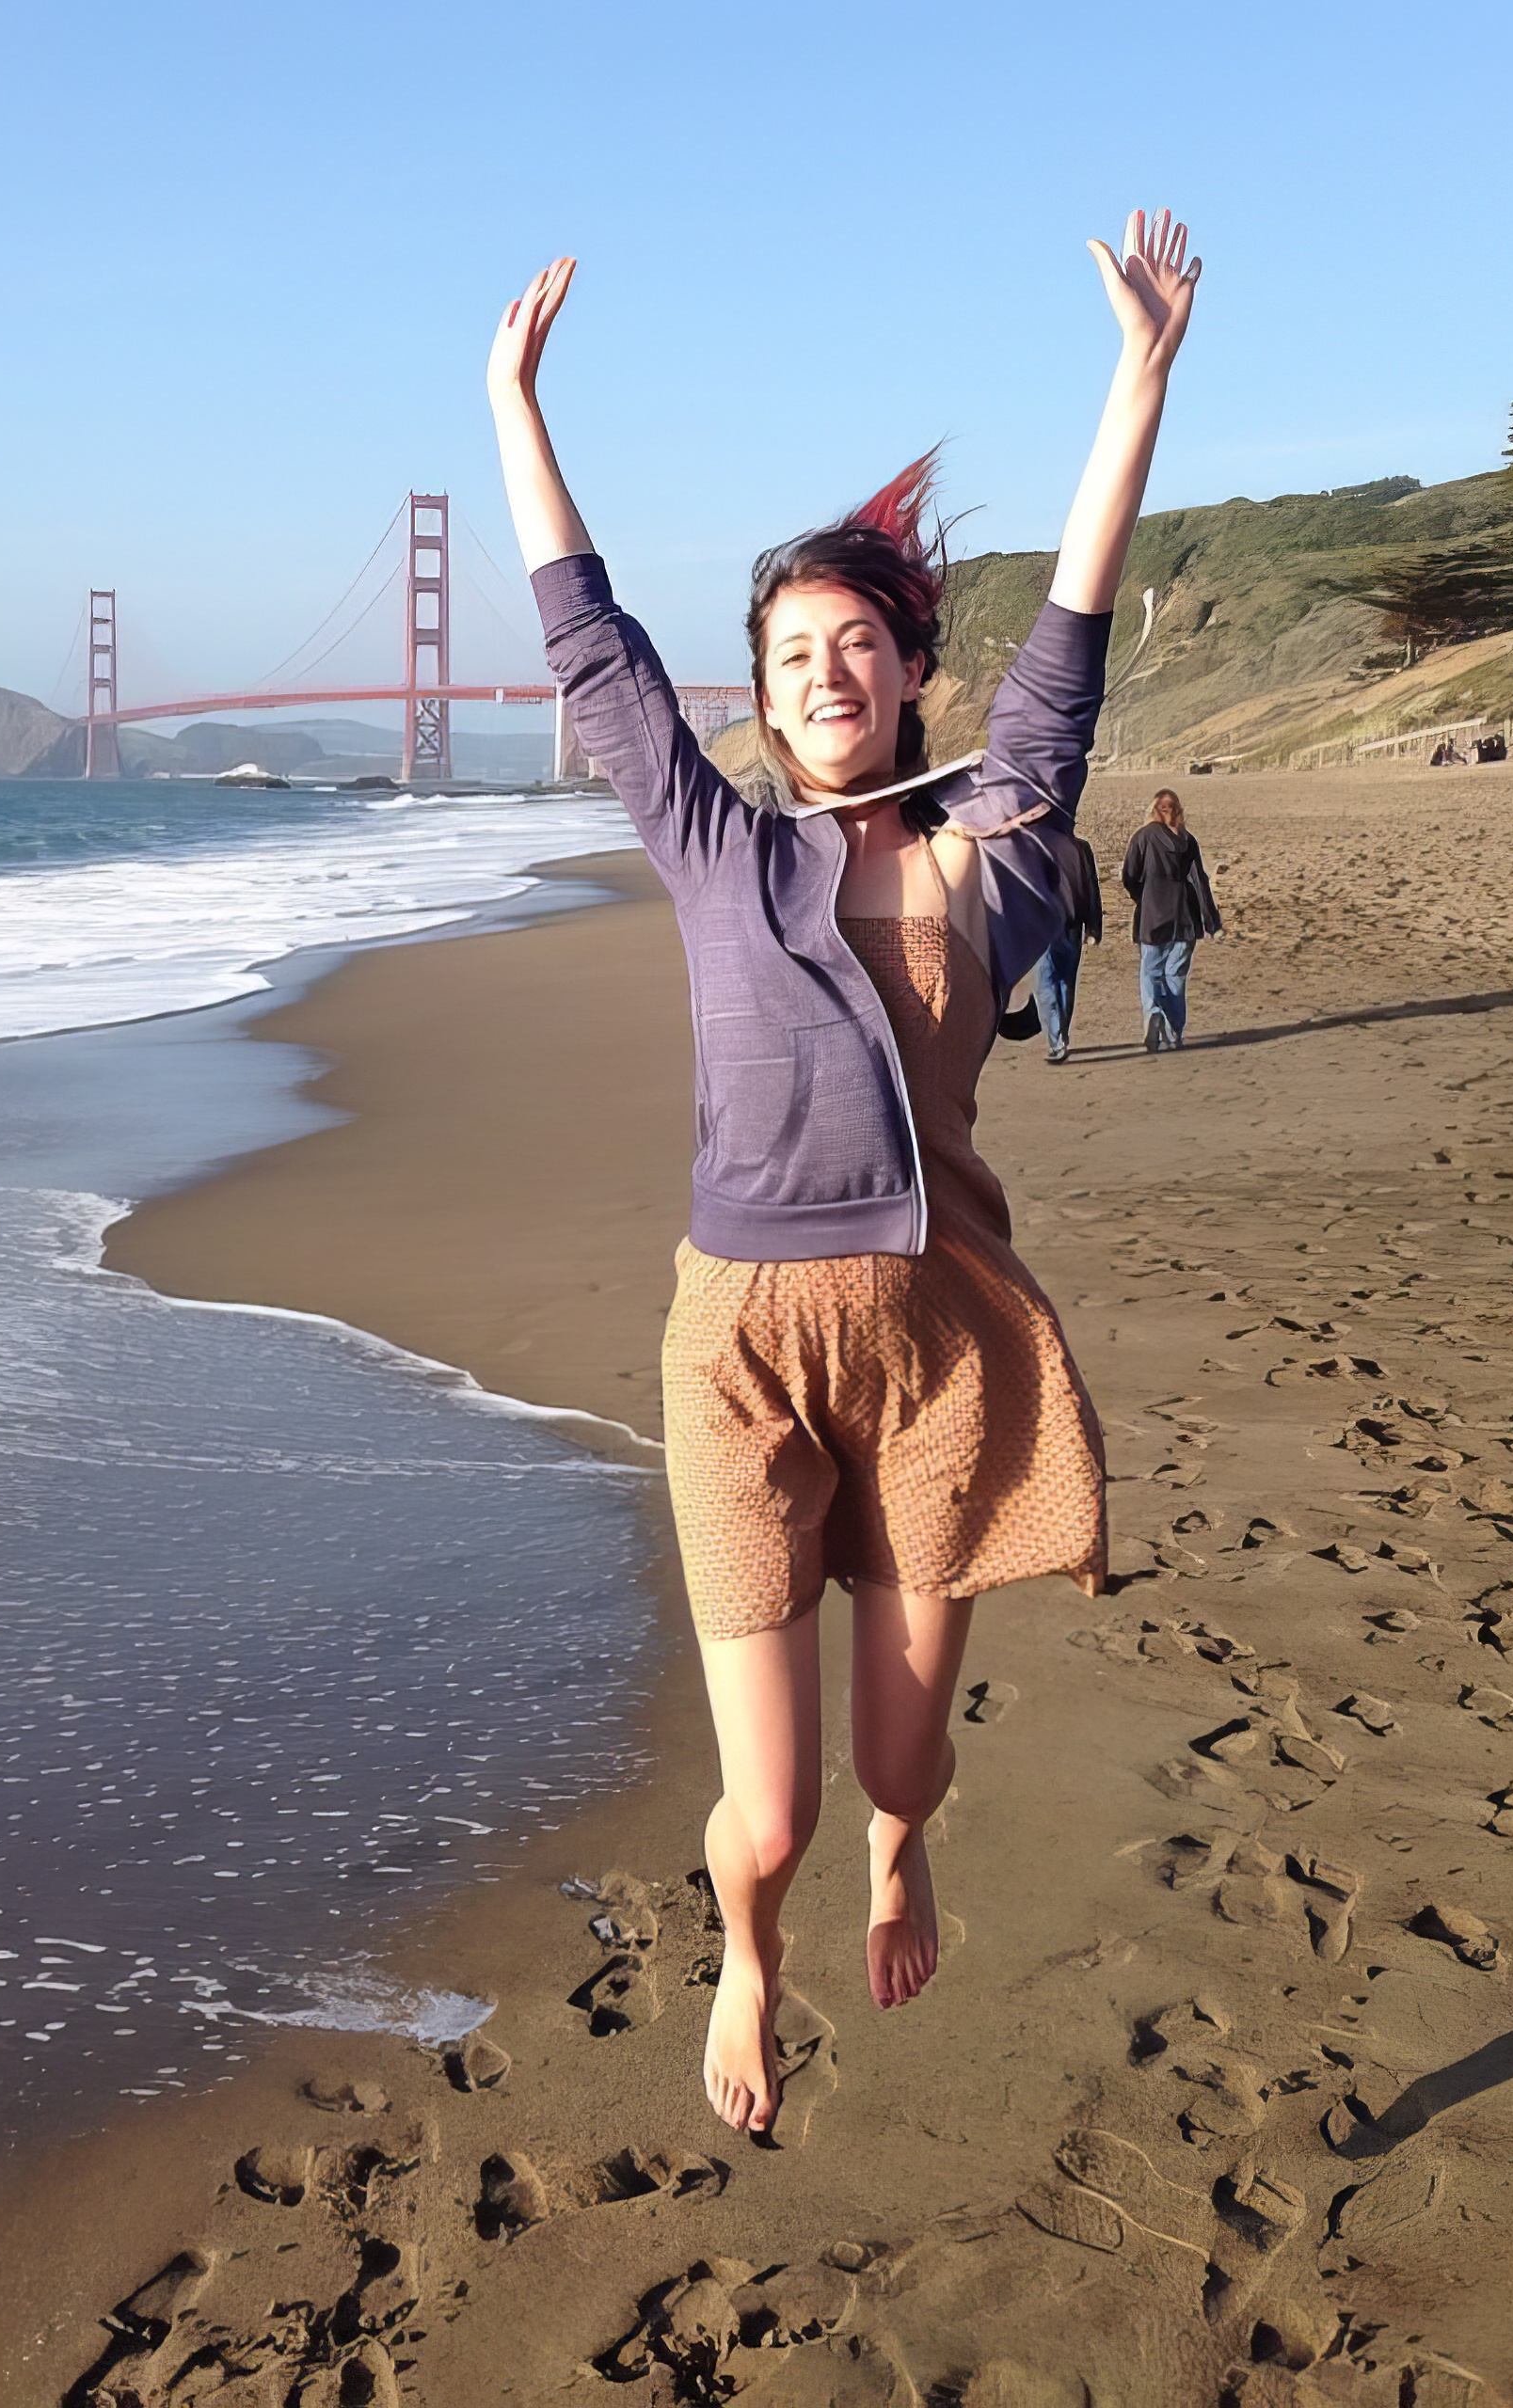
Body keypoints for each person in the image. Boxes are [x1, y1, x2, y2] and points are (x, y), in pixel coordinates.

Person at [486, 210, 1201, 2135]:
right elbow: (588, 638)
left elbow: (1069, 633)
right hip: (735, 1345)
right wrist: (511, 406)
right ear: (764, 685)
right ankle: (750, 1944)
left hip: (929, 1344)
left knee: (896, 1770)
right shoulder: (717, 846)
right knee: (772, 1807)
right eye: (790, 651)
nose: (822, 670)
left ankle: (902, 1857)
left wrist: (1138, 377)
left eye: (855, 644)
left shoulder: (1003, 851)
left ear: (904, 675)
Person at [1120, 788, 1221, 1051]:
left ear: (1153, 810)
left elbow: (1129, 875)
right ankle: (1174, 1032)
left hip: (1153, 917)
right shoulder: (1188, 841)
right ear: (1178, 812)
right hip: (1185, 917)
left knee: (1151, 972)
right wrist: (1213, 923)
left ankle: (1153, 1012)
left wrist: (1143, 898)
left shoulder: (1143, 837)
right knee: (1175, 976)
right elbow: (1200, 882)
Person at [1033, 825, 1104, 1063]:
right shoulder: (1034, 847)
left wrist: (1094, 927)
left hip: (1073, 925)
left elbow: (1092, 889)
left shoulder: (1081, 849)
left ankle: (1060, 1033)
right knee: (1045, 980)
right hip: (1044, 925)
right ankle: (1057, 1040)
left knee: (1066, 982)